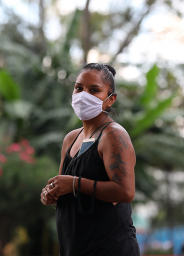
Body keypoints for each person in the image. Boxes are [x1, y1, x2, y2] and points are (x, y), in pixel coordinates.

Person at [40, 63, 140, 255]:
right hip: (75, 248)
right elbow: (66, 188)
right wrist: (50, 194)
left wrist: (75, 183)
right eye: (79, 88)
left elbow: (125, 192)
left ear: (110, 100)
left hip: (110, 248)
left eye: (94, 90)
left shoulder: (113, 135)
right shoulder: (71, 139)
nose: (83, 95)